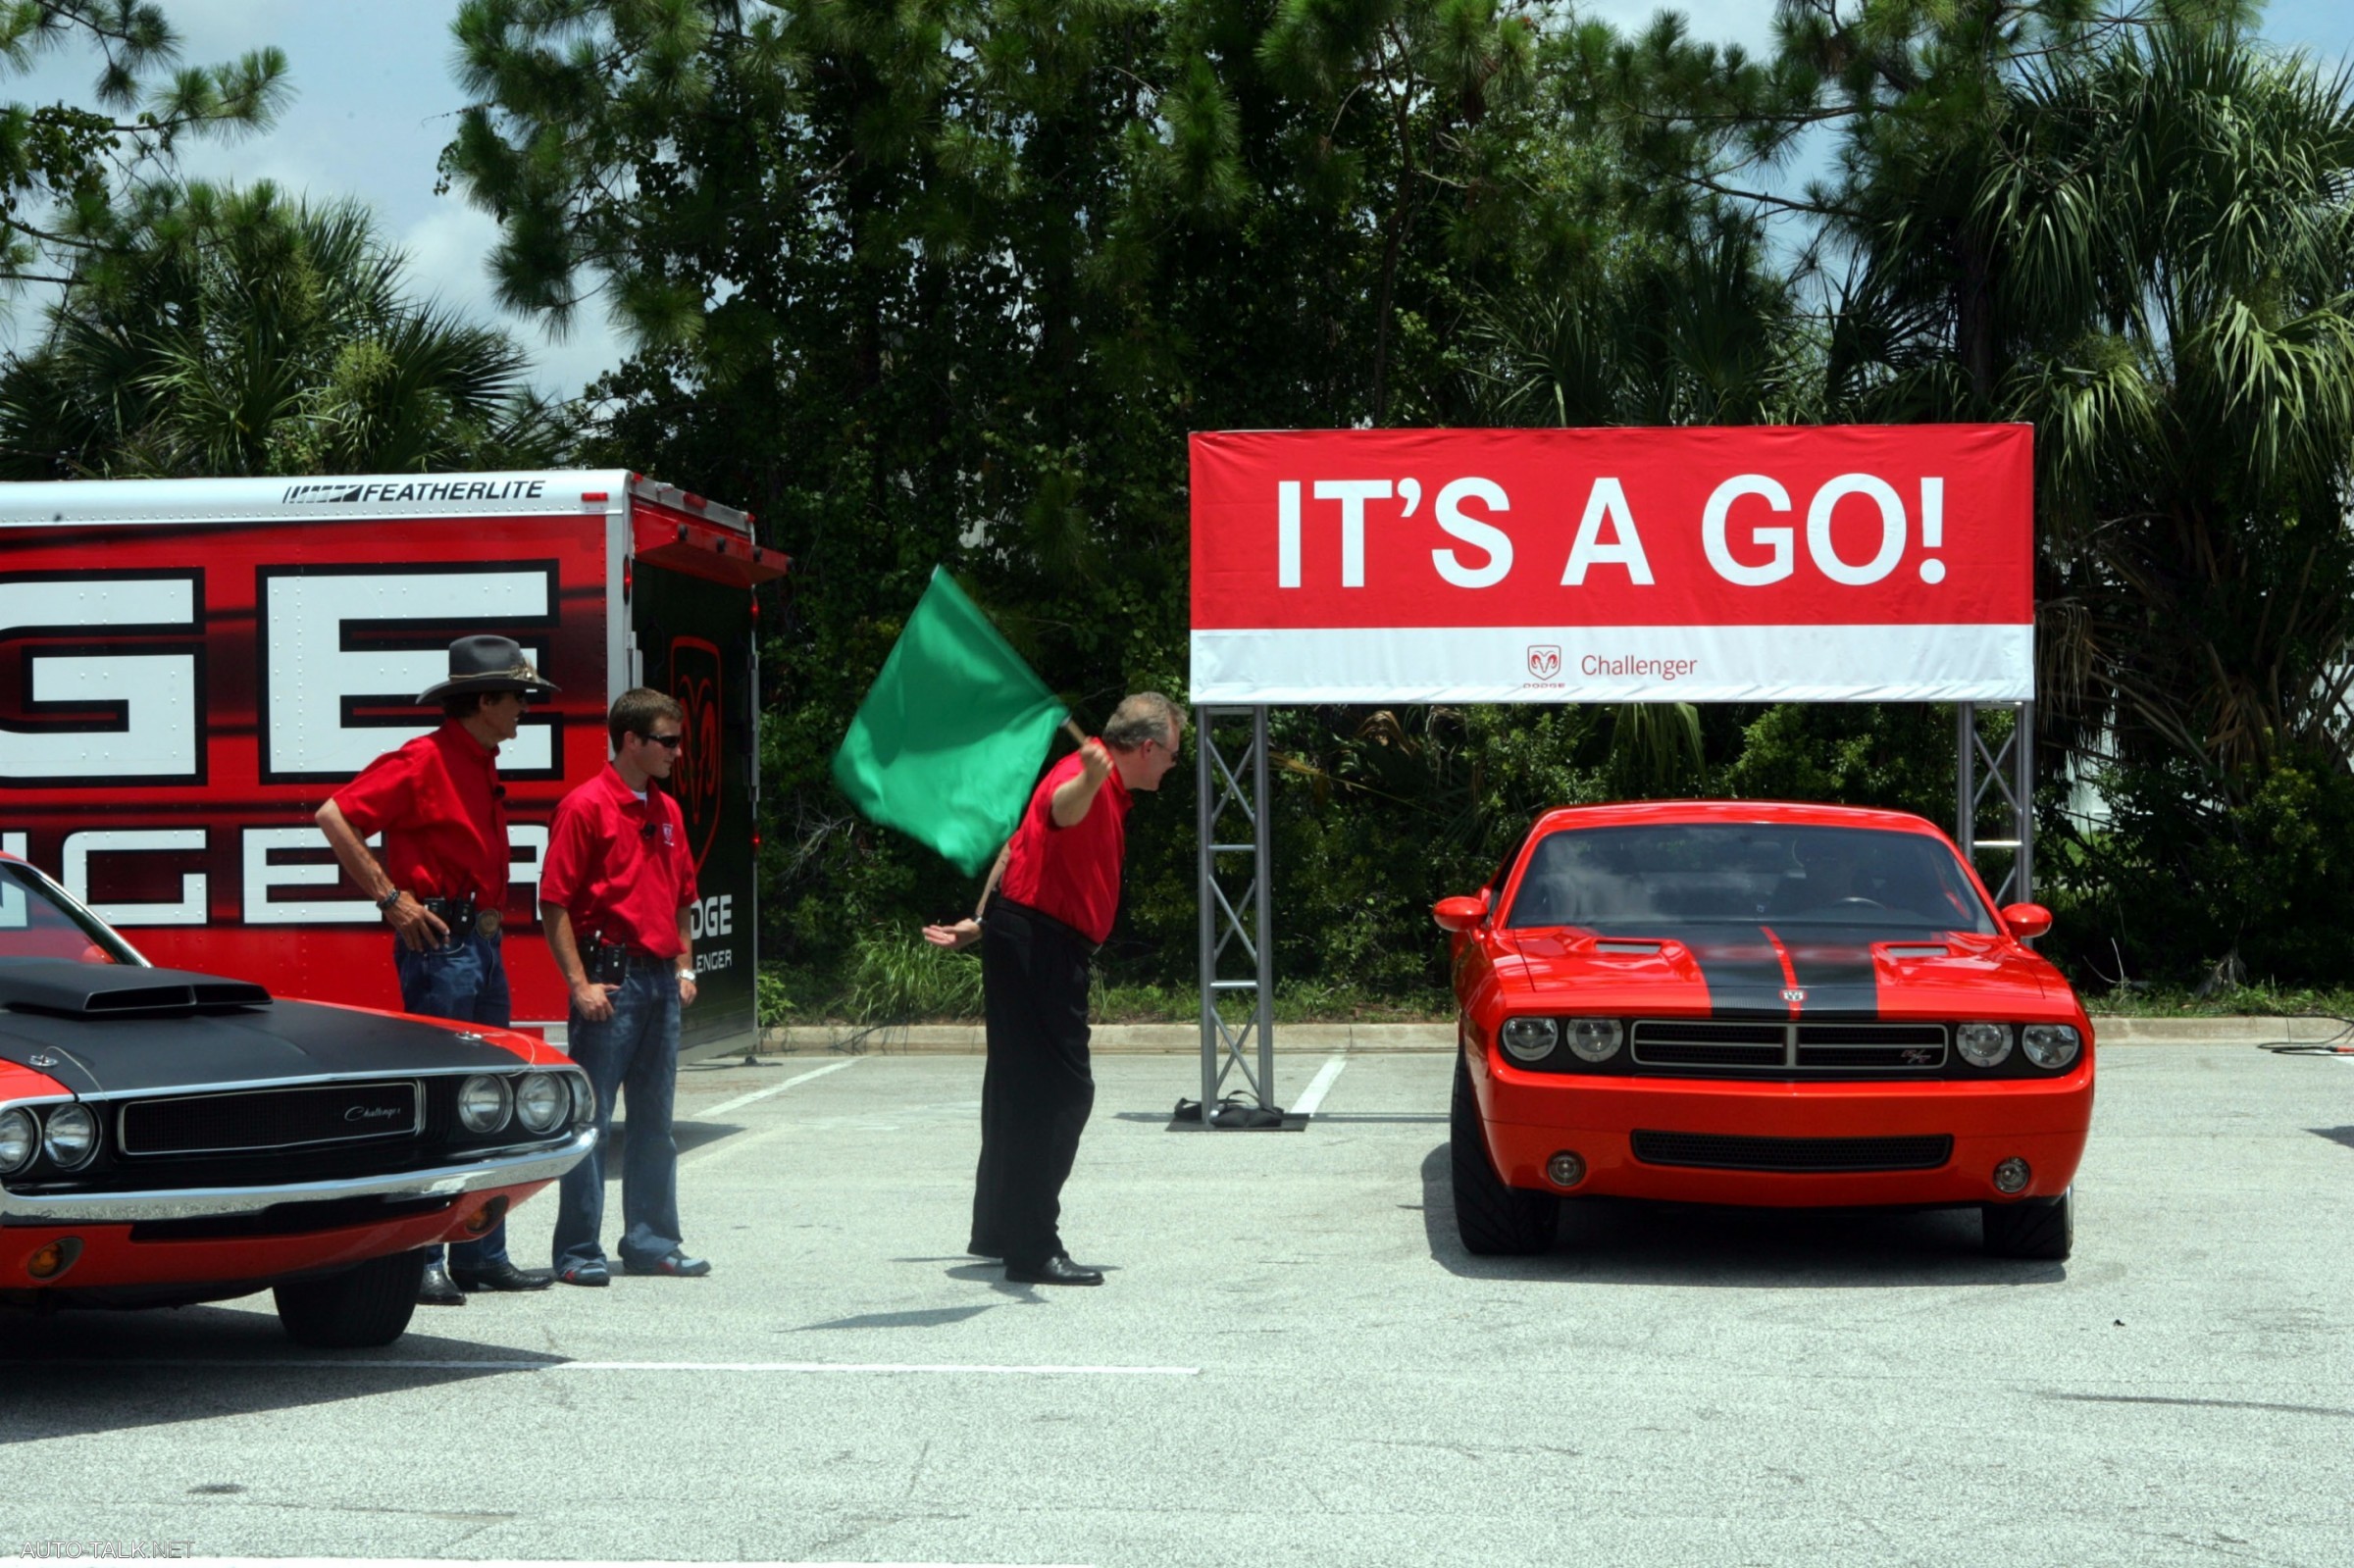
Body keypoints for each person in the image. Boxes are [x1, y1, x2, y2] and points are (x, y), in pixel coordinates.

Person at [316, 633, 559, 1303]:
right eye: (517, 697)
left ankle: (481, 1252)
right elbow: (334, 815)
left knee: (490, 1098)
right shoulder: (425, 759)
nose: (524, 710)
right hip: (445, 944)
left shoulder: (478, 758)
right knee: (444, 1103)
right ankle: (423, 1256)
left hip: (479, 942)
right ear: (484, 700)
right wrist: (391, 900)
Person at [922, 692, 1186, 1287]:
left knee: (1018, 1093)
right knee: (1060, 1097)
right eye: (1171, 752)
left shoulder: (1102, 784)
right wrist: (1089, 781)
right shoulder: (1083, 778)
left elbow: (1018, 845)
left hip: (1024, 934)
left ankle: (1001, 1229)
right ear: (1146, 747)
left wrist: (981, 919)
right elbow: (1065, 811)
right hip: (1042, 946)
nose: (1172, 763)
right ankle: (1033, 1246)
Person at [540, 687, 708, 1287]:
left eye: (677, 740)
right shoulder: (585, 806)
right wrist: (580, 984)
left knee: (654, 1123)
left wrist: (685, 968)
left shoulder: (667, 810)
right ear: (631, 741)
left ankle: (652, 1242)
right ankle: (579, 1251)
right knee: (590, 1121)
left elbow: (684, 897)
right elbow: (553, 904)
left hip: (661, 979)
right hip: (610, 979)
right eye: (667, 741)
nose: (677, 752)